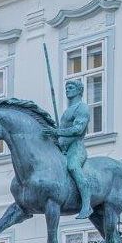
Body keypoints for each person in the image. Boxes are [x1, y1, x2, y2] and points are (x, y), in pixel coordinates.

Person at [42, 78, 93, 220]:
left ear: (79, 90)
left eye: (71, 87)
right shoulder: (66, 112)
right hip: (63, 147)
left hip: (76, 146)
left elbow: (78, 129)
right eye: (66, 87)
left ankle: (87, 205)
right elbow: (62, 130)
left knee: (72, 167)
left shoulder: (82, 108)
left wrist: (57, 132)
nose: (67, 89)